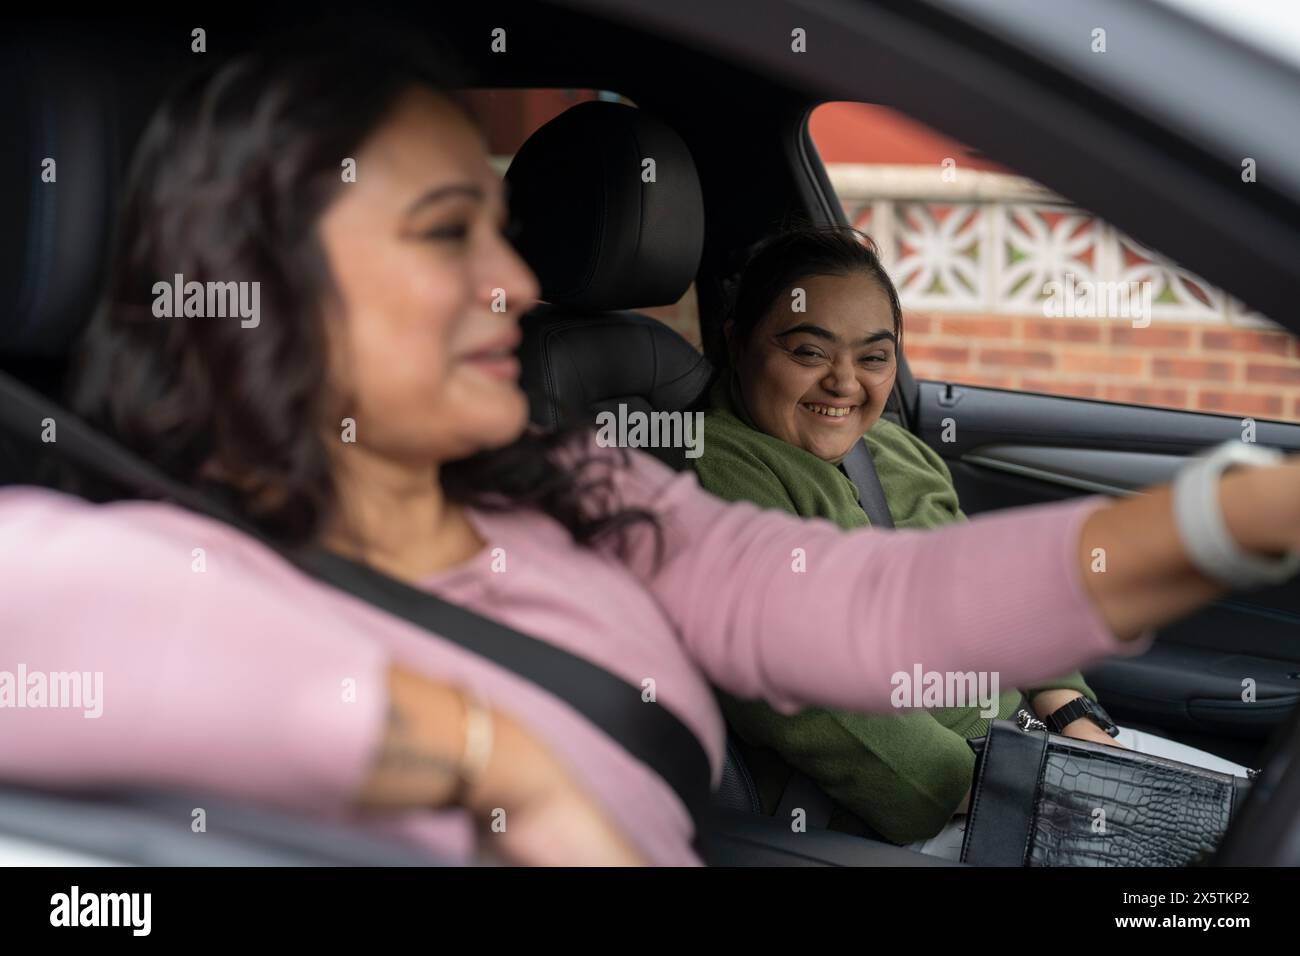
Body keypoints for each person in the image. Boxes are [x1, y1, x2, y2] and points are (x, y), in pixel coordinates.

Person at [0, 37, 1291, 867]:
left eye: (504, 230)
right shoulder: (153, 553)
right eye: (449, 235)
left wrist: (1232, 520)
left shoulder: (584, 486)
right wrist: (486, 757)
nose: (515, 283)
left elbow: (881, 602)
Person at [688, 225, 1248, 858]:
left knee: (1263, 827)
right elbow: (803, 688)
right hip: (899, 815)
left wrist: (1070, 717)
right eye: (808, 352)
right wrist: (1012, 790)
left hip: (1028, 753)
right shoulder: (712, 471)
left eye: (873, 357)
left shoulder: (894, 451)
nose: (844, 382)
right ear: (737, 341)